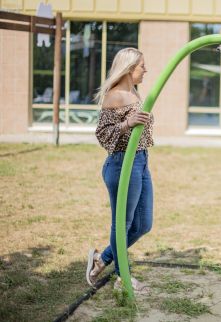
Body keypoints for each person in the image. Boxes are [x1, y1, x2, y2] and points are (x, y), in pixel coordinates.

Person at [86, 47, 153, 292]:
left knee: (144, 224)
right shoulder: (114, 96)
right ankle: (124, 278)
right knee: (122, 224)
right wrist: (127, 123)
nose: (145, 70)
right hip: (121, 162)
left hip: (141, 161)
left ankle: (102, 258)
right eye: (141, 66)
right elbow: (102, 135)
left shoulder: (134, 92)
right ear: (128, 68)